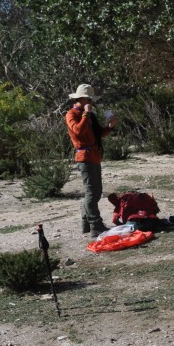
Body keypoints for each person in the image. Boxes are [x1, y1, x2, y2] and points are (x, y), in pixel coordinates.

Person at [66, 84, 115, 237]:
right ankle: (95, 225)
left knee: (94, 192)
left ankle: (86, 224)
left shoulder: (89, 114)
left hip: (93, 156)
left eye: (91, 99)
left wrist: (110, 126)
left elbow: (98, 134)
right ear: (80, 99)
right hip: (84, 157)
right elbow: (79, 131)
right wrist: (86, 114)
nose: (91, 102)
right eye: (88, 99)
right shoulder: (71, 114)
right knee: (92, 193)